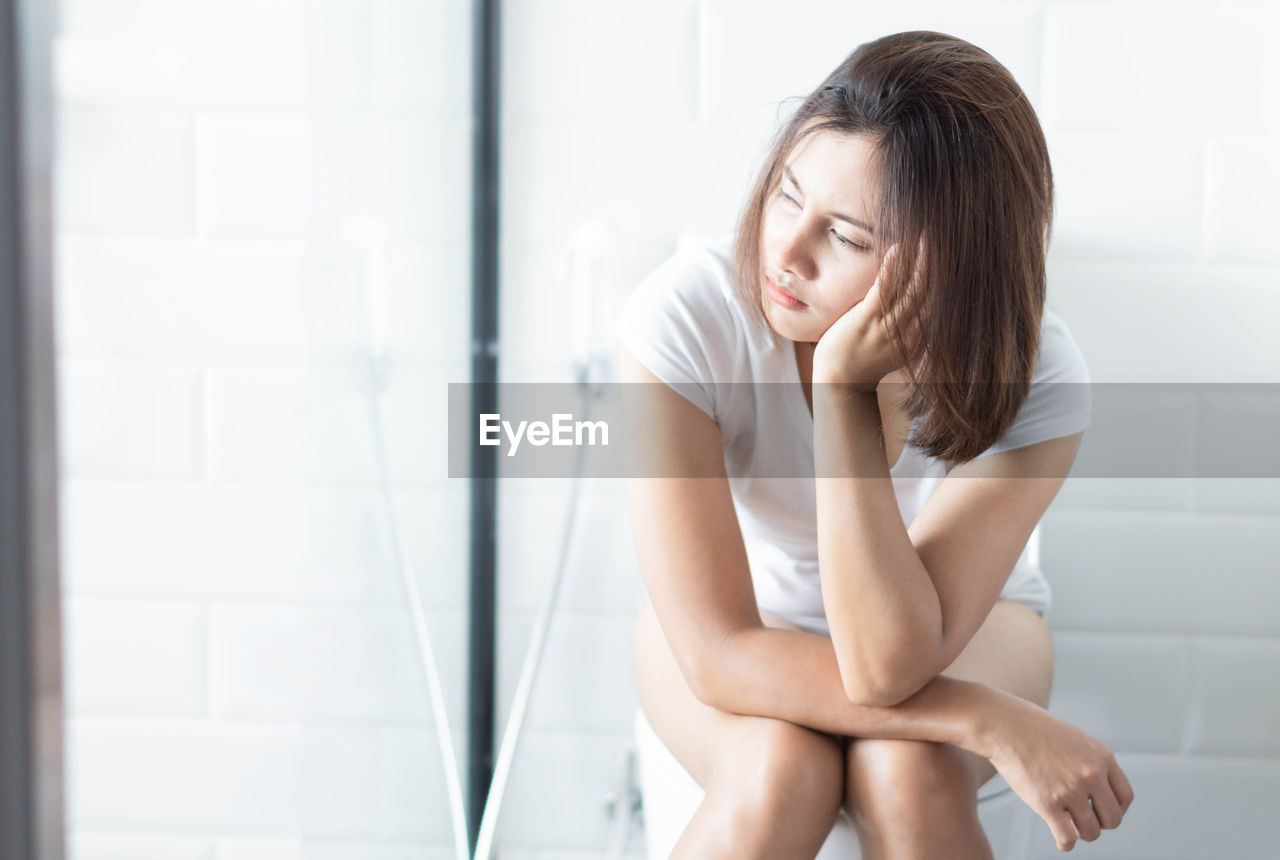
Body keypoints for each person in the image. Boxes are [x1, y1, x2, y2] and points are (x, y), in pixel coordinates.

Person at [615, 30, 1134, 859]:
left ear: (951, 265)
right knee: (777, 771)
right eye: (788, 195)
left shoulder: (1037, 375)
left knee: (908, 771)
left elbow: (890, 663)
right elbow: (717, 651)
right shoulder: (684, 319)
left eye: (847, 238)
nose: (785, 252)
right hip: (743, 626)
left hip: (966, 630)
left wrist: (846, 391)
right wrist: (986, 718)